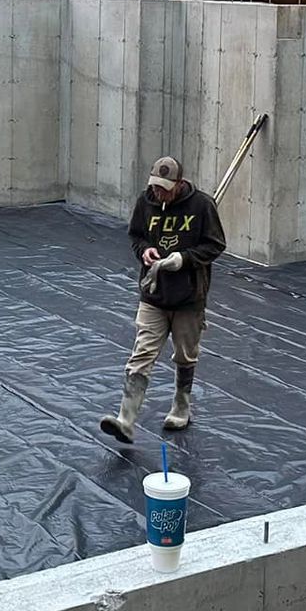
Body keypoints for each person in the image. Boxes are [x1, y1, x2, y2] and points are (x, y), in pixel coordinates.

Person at [101, 155, 226, 443]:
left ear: (179, 184)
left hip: (188, 297)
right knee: (141, 354)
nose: (159, 193)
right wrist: (144, 251)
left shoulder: (202, 206)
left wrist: (184, 259)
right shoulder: (146, 202)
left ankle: (181, 405)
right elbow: (136, 235)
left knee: (185, 355)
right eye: (155, 187)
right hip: (154, 295)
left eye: (165, 188)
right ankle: (126, 419)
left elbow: (215, 244)